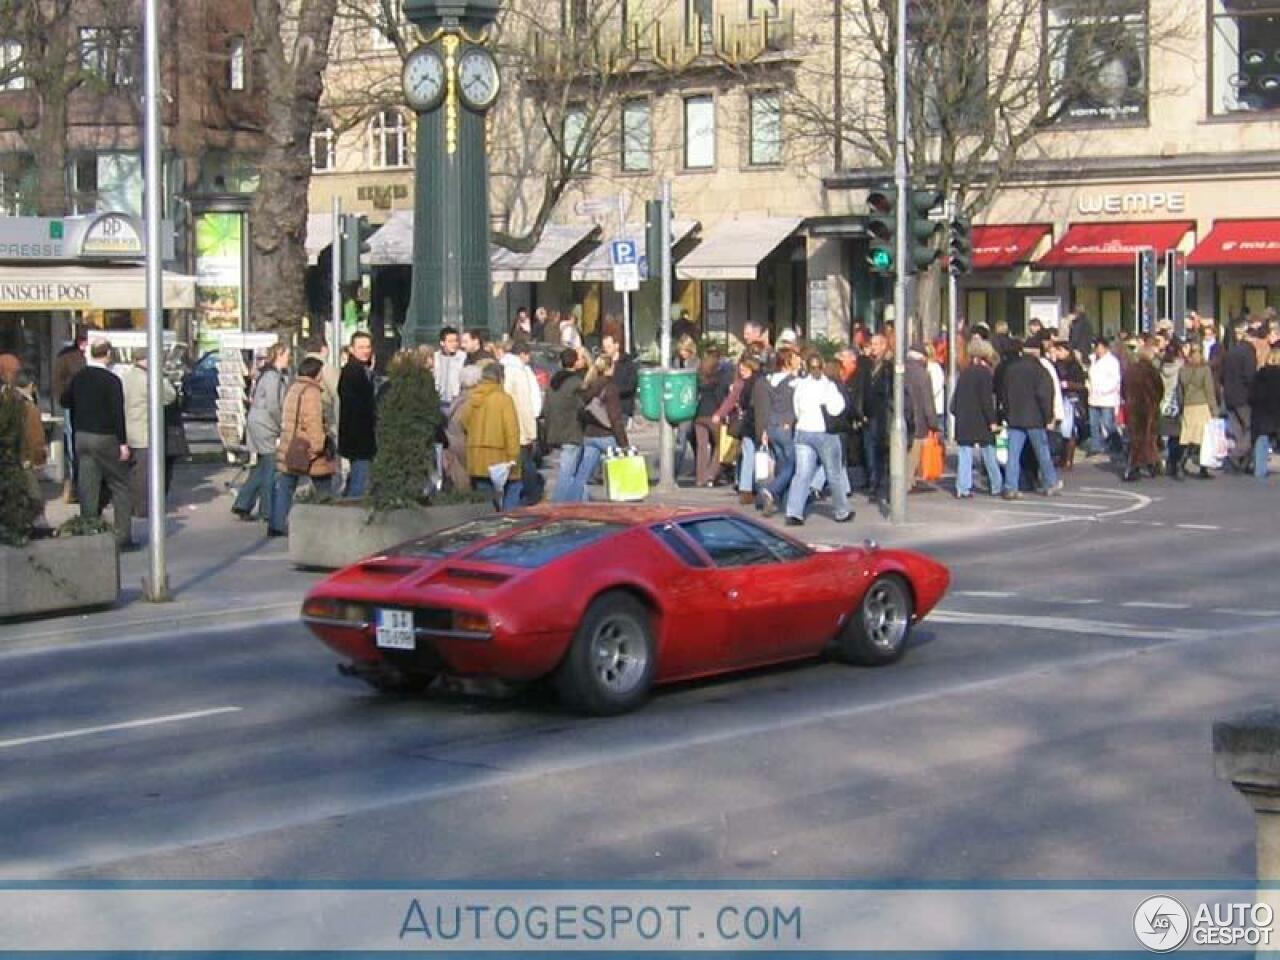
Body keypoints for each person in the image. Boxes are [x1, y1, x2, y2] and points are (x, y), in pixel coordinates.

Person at [62, 339, 133, 549]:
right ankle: (122, 537)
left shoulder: (79, 378)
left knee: (88, 485)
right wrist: (123, 443)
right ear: (108, 354)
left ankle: (88, 532)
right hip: (105, 437)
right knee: (120, 484)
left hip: (82, 436)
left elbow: (65, 401)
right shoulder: (111, 380)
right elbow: (117, 413)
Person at [784, 352, 853, 526]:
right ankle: (841, 511)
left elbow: (796, 408)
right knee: (833, 473)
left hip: (803, 431)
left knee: (802, 474)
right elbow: (837, 408)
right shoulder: (828, 386)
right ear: (822, 367)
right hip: (824, 432)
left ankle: (794, 512)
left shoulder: (800, 385)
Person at [270, 357, 336, 535]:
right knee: (324, 486)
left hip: (290, 445)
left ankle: (276, 524)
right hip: (306, 447)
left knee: (286, 486)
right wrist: (319, 446)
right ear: (317, 373)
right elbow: (313, 422)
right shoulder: (312, 392)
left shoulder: (294, 387)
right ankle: (328, 525)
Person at [233, 343, 290, 522]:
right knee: (271, 467)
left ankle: (242, 503)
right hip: (266, 425)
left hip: (258, 423)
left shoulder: (269, 374)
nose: (289, 358)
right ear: (279, 355)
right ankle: (268, 510)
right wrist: (281, 424)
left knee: (262, 466)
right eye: (287, 354)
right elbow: (273, 405)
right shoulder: (273, 377)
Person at [999, 338, 1061, 499]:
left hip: (1015, 417)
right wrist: (1049, 416)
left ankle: (1010, 486)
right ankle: (1051, 483)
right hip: (1034, 418)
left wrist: (1007, 412)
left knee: (1013, 454)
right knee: (1042, 452)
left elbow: (1003, 394)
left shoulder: (1011, 369)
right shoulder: (1040, 370)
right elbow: (1045, 395)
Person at [119, 346, 176, 520]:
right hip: (144, 432)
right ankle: (142, 508)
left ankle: (127, 506)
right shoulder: (149, 379)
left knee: (129, 473)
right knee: (144, 474)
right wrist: (162, 377)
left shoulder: (125, 377)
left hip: (126, 430)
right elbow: (169, 396)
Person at [565, 354, 629, 502]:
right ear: (610, 368)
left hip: (589, 435)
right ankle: (621, 501)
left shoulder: (588, 385)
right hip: (606, 436)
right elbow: (615, 418)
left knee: (582, 475)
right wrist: (624, 443)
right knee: (619, 470)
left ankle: (572, 504)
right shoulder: (610, 388)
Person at [462, 363, 523, 510]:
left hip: (477, 456)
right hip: (500, 457)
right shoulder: (504, 400)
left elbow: (464, 422)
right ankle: (508, 522)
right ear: (501, 378)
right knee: (514, 486)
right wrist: (514, 457)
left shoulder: (472, 398)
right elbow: (511, 431)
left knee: (485, 499)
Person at [951, 338, 1002, 498]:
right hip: (981, 420)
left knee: (965, 454)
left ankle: (963, 488)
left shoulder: (965, 373)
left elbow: (954, 401)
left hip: (964, 419)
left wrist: (957, 413)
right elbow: (986, 400)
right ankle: (996, 485)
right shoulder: (985, 374)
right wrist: (992, 421)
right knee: (989, 452)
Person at [500, 337, 544, 504]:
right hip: (518, 426)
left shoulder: (500, 367)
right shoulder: (520, 372)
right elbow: (525, 405)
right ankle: (531, 497)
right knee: (524, 464)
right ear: (522, 354)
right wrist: (531, 432)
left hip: (502, 425)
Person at [758, 348, 802, 516]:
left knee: (782, 463)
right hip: (785, 425)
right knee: (793, 463)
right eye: (795, 357)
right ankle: (772, 490)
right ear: (787, 362)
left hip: (772, 425)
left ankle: (781, 501)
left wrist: (764, 429)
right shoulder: (793, 381)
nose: (799, 359)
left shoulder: (770, 379)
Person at [853, 332, 892, 499]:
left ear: (884, 346)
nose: (873, 348)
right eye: (872, 344)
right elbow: (860, 385)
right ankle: (872, 480)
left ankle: (877, 482)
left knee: (878, 449)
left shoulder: (888, 366)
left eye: (876, 345)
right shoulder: (867, 365)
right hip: (868, 413)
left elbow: (889, 391)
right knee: (868, 448)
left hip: (881, 413)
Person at [338, 331, 377, 498]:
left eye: (368, 347)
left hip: (357, 438)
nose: (365, 350)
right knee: (359, 484)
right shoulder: (354, 372)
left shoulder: (362, 370)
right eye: (361, 347)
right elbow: (358, 408)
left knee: (357, 477)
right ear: (352, 350)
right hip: (359, 438)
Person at [546, 348, 587, 502]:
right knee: (568, 471)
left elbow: (546, 408)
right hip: (572, 431)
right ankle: (559, 504)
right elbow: (583, 406)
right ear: (575, 362)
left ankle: (581, 502)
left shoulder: (553, 382)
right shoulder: (576, 383)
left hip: (556, 430)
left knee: (574, 471)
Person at [52, 328, 88, 502]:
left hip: (91, 406)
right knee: (73, 446)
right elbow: (58, 381)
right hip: (71, 405)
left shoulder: (94, 355)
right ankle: (75, 483)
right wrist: (64, 400)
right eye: (82, 340)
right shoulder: (66, 357)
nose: (84, 344)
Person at [1120, 346, 1165, 482]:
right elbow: (1160, 389)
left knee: (1136, 438)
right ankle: (1144, 465)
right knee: (1149, 437)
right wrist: (1155, 402)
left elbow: (1123, 389)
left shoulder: (1130, 371)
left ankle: (1145, 464)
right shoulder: (1152, 371)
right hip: (1149, 408)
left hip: (1133, 408)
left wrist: (1128, 400)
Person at [1177, 343, 1218, 480]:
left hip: (1188, 406)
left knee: (1188, 437)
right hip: (1202, 405)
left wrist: (1182, 406)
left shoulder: (1183, 370)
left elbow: (1180, 391)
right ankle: (1202, 468)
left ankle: (1180, 464)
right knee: (1203, 439)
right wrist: (1214, 410)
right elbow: (1209, 391)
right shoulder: (1205, 369)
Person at [1222, 322, 1259, 473]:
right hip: (1243, 397)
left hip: (1229, 396)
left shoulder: (1232, 351)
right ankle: (1235, 455)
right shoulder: (1248, 352)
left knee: (1237, 431)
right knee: (1250, 429)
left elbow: (1223, 374)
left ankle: (1240, 463)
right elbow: (1250, 376)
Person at [904, 344, 939, 492]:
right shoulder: (923, 374)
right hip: (918, 421)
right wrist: (933, 423)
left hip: (901, 419)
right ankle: (907, 484)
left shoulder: (900, 370)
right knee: (913, 455)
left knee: (904, 453)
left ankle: (906, 482)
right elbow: (927, 402)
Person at [693, 349, 728, 488]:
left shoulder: (699, 377)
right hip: (713, 414)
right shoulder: (718, 378)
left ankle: (700, 478)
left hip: (699, 415)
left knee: (702, 447)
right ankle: (711, 475)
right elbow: (720, 397)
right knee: (721, 445)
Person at [1248, 345, 1280, 480]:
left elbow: (1252, 396)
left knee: (1262, 440)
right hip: (1276, 412)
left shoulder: (1260, 374)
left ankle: (1259, 470)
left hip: (1262, 414)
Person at [1086, 337, 1122, 456]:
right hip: (1093, 397)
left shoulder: (1112, 361)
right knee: (1093, 423)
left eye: (1100, 347)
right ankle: (1095, 446)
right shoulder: (1093, 360)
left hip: (1107, 397)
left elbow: (1116, 380)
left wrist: (1104, 390)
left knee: (1108, 423)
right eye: (1096, 348)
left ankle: (1117, 443)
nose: (1098, 350)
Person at [1157, 341, 1185, 479]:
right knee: (1175, 434)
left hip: (1163, 402)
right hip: (1175, 402)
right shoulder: (1180, 366)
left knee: (1163, 434)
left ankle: (1163, 459)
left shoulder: (1161, 366)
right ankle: (1173, 462)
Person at [601, 332, 637, 423]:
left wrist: (612, 391)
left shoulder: (627, 363)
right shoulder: (602, 363)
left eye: (608, 347)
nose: (606, 350)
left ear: (616, 346)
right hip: (605, 408)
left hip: (622, 408)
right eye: (604, 347)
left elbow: (631, 385)